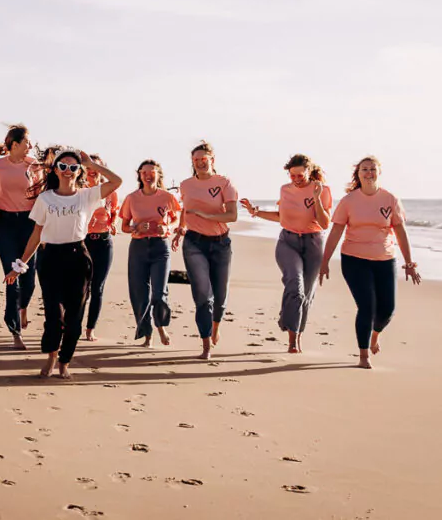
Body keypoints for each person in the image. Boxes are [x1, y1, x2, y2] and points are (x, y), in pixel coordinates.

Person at [5, 150, 122, 379]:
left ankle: (65, 361)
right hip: (50, 259)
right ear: (55, 169)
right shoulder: (45, 199)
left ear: (79, 172)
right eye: (63, 166)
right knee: (53, 316)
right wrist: (19, 266)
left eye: (73, 167)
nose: (68, 171)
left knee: (74, 317)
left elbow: (117, 182)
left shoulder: (87, 196)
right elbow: (36, 235)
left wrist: (91, 165)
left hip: (78, 257)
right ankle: (51, 356)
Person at [319, 156, 421, 369]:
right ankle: (363, 354)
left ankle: (375, 334)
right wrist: (325, 260)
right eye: (364, 169)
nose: (368, 173)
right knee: (367, 307)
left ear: (379, 173)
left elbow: (400, 231)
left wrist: (409, 263)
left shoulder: (390, 199)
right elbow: (336, 230)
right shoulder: (349, 201)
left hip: (385, 259)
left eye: (372, 169)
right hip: (354, 259)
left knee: (387, 310)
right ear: (358, 174)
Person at [241, 154, 332, 353]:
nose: (296, 179)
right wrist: (256, 212)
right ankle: (292, 340)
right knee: (295, 285)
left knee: (306, 294)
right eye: (293, 176)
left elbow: (325, 223)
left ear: (309, 172)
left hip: (313, 243)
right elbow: (281, 217)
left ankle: (296, 332)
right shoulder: (285, 190)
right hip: (288, 242)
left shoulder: (321, 190)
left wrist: (316, 199)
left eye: (300, 175)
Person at [171, 142, 238, 360]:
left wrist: (208, 216)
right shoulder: (186, 185)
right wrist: (181, 227)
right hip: (194, 243)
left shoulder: (224, 183)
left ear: (212, 160)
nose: (200, 163)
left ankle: (215, 326)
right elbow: (185, 208)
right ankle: (205, 343)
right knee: (202, 295)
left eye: (204, 159)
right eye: (196, 160)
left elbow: (232, 215)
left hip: (220, 243)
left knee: (220, 297)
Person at [0, 125, 42, 349]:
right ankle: (15, 332)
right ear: (14, 144)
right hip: (6, 225)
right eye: (27, 142)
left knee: (29, 280)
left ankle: (22, 309)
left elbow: (41, 194)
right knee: (13, 277)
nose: (30, 145)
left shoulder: (35, 165)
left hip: (29, 224)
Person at [120, 160, 181, 347]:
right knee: (139, 293)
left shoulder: (167, 197)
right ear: (139, 175)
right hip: (138, 247)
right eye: (144, 172)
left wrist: (167, 228)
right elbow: (124, 226)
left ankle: (161, 326)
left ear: (158, 175)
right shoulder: (131, 198)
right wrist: (136, 227)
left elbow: (177, 219)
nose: (148, 175)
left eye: (152, 172)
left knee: (159, 293)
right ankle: (147, 335)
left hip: (160, 247)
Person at [83, 154, 119, 341]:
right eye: (89, 167)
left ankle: (90, 329)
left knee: (97, 287)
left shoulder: (110, 192)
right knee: (81, 287)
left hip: (104, 243)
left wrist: (111, 224)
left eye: (97, 167)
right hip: (82, 243)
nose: (92, 170)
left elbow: (114, 213)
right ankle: (72, 324)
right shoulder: (80, 191)